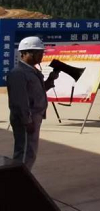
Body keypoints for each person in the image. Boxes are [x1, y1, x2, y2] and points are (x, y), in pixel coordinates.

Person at [7, 37, 59, 170]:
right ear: (25, 53)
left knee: (30, 153)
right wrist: (27, 121)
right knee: (24, 154)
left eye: (41, 53)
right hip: (27, 119)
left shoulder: (32, 71)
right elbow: (19, 101)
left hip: (33, 118)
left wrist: (50, 80)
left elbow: (35, 92)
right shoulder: (18, 73)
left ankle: (21, 178)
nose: (41, 56)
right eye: (38, 53)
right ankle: (18, 180)